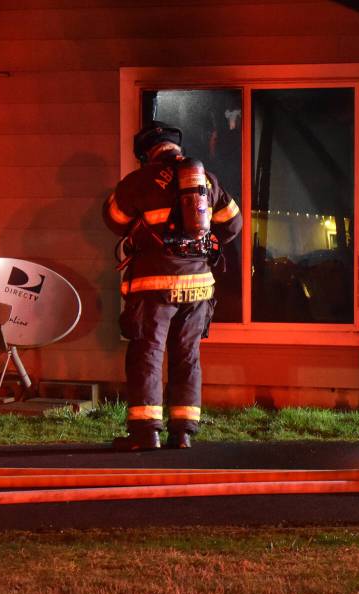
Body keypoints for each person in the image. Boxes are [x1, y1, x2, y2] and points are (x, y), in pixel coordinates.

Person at [103, 121, 243, 451]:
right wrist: (200, 245)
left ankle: (145, 433)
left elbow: (113, 220)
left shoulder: (139, 181)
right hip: (198, 288)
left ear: (146, 152)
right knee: (187, 356)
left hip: (153, 286)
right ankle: (182, 433)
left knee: (147, 355)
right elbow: (233, 223)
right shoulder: (206, 179)